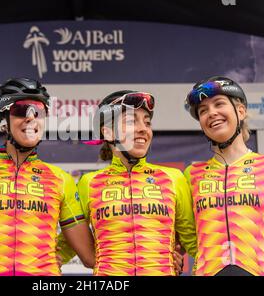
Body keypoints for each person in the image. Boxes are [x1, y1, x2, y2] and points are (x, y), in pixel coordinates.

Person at [0, 77, 95, 276]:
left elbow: (90, 257)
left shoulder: (61, 180)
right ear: (4, 121)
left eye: (38, 111)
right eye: (21, 111)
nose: (31, 118)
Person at [58, 90, 197, 275]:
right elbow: (69, 243)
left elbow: (193, 241)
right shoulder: (89, 183)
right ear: (107, 132)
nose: (143, 129)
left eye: (147, 122)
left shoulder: (174, 178)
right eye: (132, 121)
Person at [184, 76, 264, 276]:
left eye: (219, 104)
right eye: (203, 110)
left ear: (241, 111)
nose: (211, 113)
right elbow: (183, 236)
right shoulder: (191, 175)